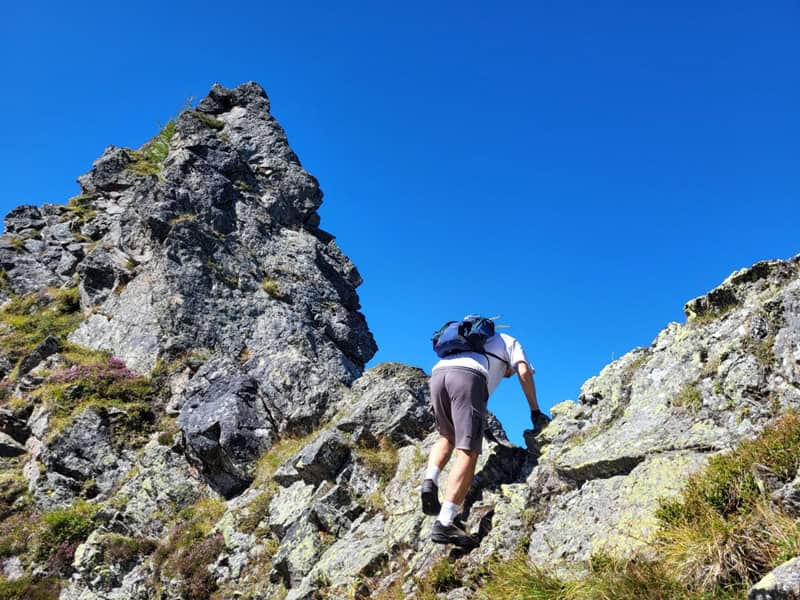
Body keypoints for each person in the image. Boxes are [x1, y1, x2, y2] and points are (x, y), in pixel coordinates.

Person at [422, 321, 549, 547]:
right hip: (468, 376)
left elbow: (503, 369)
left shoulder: (466, 341)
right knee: (468, 450)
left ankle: (429, 481)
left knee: (446, 437)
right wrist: (535, 410)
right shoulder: (510, 342)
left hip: (439, 373)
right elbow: (523, 370)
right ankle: (445, 523)